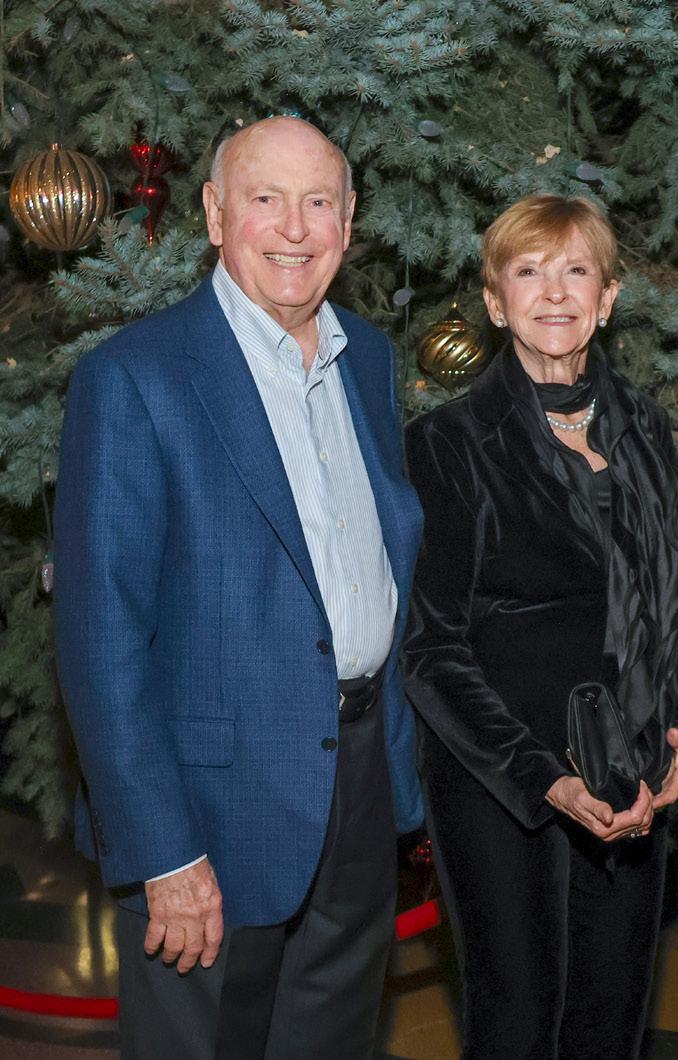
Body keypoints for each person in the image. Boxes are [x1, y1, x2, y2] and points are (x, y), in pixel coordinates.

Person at [52, 116, 425, 1058]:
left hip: (358, 784)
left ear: (348, 221)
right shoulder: (135, 377)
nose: (294, 229)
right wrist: (164, 852)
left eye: (318, 203)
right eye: (266, 199)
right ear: (217, 215)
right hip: (210, 816)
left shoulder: (368, 359)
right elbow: (101, 640)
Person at [401, 193, 678, 1060]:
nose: (554, 292)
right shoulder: (450, 442)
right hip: (505, 788)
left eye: (577, 270)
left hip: (633, 780)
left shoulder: (645, 427)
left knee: (612, 1020)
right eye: (528, 271)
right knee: (517, 1025)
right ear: (496, 303)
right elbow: (431, 647)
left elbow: (677, 598)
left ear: (607, 298)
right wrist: (544, 779)